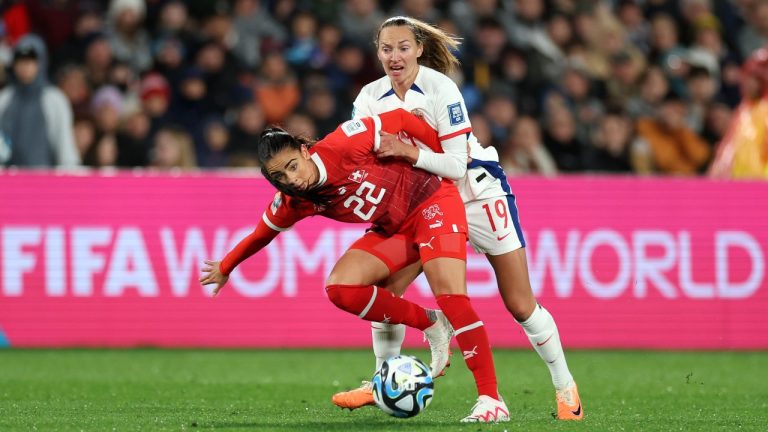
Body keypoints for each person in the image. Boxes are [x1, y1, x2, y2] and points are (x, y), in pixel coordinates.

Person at [331, 16, 583, 421]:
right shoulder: (369, 97)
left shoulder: (440, 88)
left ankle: (565, 388)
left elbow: (454, 163)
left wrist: (410, 153)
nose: (394, 57)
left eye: (402, 48)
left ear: (417, 50)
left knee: (520, 303)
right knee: (387, 289)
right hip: (423, 200)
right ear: (377, 52)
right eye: (386, 49)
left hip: (474, 189)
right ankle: (384, 378)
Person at [199, 108, 509, 423]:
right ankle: (431, 322)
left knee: (452, 298)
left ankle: (491, 400)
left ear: (305, 151)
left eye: (293, 167)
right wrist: (226, 267)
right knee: (341, 287)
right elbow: (260, 234)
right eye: (280, 177)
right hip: (395, 227)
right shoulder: (294, 198)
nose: (292, 179)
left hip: (433, 201)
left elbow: (401, 117)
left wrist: (451, 155)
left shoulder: (344, 143)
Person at [0, 34, 79, 168]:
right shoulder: (5, 98)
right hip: (8, 180)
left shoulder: (54, 100)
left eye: (31, 61)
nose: (25, 67)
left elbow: (64, 146)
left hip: (44, 181)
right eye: (21, 61)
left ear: (41, 63)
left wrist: (68, 177)